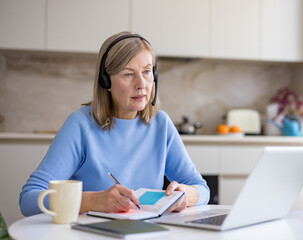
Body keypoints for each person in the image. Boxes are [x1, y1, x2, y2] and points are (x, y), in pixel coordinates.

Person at [19, 31, 210, 216]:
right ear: (105, 82)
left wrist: (186, 195)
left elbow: (202, 188)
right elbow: (28, 200)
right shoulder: (81, 125)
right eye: (128, 74)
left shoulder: (161, 124)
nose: (142, 84)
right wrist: (92, 201)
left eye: (147, 71)